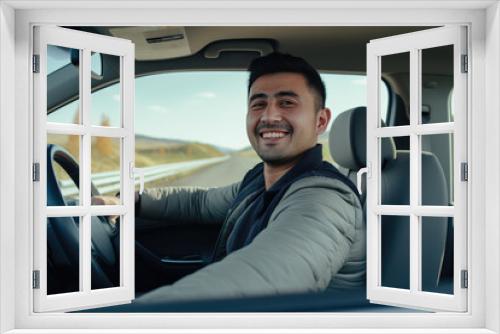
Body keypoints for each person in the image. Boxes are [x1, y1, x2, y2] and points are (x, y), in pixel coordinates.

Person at [96, 52, 365, 303]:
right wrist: (130, 200)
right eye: (259, 104)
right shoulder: (260, 180)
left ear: (320, 121)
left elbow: (267, 277)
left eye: (287, 103)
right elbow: (199, 203)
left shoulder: (325, 198)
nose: (269, 116)